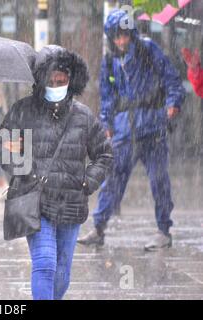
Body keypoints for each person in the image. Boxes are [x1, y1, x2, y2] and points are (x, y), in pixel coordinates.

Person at [1, 45, 113, 300]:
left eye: (61, 79)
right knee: (45, 263)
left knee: (62, 272)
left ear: (71, 80)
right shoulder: (22, 111)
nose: (56, 84)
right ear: (41, 80)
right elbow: (1, 147)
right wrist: (17, 160)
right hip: (35, 200)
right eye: (51, 80)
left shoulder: (83, 116)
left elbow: (104, 154)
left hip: (71, 202)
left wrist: (87, 183)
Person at [78, 10, 186, 251]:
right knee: (113, 178)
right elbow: (107, 96)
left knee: (159, 179)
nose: (122, 41)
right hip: (125, 130)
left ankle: (163, 230)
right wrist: (106, 125)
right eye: (117, 36)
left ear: (132, 34)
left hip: (152, 127)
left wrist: (172, 106)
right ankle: (99, 227)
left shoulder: (148, 50)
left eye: (125, 35)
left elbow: (172, 80)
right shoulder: (109, 60)